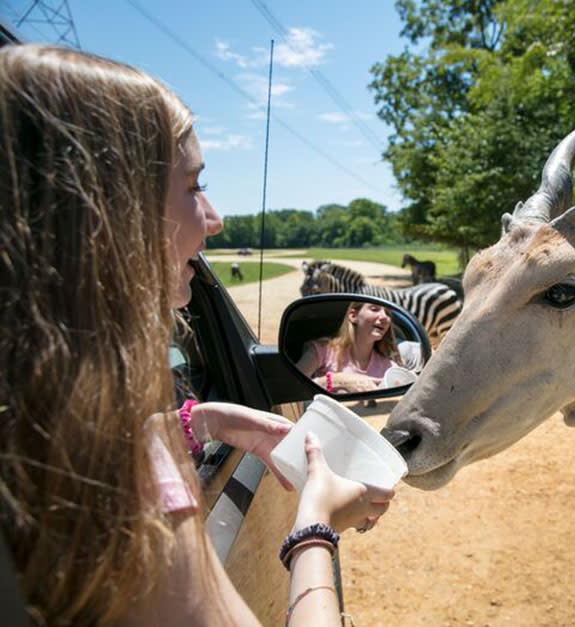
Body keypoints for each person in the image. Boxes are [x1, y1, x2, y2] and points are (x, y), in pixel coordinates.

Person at [0, 44, 392, 625]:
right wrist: (314, 528)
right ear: (109, 216)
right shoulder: (119, 472)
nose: (214, 219)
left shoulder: (37, 428)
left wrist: (206, 421)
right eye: (192, 186)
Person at [296, 301, 401, 393]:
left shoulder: (390, 367)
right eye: (374, 309)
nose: (384, 317)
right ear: (353, 316)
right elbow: (292, 385)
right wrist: (337, 380)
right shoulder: (322, 350)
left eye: (388, 313)